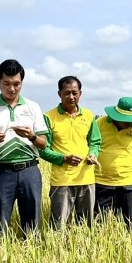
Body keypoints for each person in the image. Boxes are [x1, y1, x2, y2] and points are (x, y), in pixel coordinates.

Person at [0, 59, 49, 237]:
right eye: (6, 84)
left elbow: (43, 143)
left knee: (32, 222)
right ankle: (0, 256)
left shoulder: (32, 107)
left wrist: (31, 136)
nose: (12, 89)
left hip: (29, 170)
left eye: (16, 84)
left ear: (22, 83)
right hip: (1, 172)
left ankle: (31, 255)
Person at [40, 76, 101, 229]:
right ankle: (58, 252)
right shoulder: (48, 117)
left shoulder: (88, 115)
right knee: (58, 226)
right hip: (62, 181)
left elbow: (95, 142)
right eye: (67, 93)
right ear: (59, 93)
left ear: (80, 93)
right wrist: (64, 158)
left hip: (86, 178)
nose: (71, 97)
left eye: (75, 93)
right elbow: (43, 150)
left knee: (86, 226)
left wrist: (93, 154)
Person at [95, 97, 132, 229]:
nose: (130, 123)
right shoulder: (99, 124)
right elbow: (91, 146)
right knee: (100, 225)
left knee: (129, 225)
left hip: (128, 184)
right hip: (101, 183)